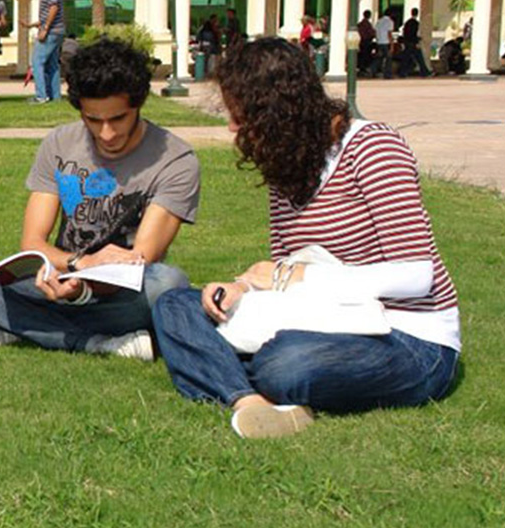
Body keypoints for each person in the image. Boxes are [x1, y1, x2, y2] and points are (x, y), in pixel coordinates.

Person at [150, 38, 460, 439]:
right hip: (322, 319)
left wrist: (296, 277)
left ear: (278, 111)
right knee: (176, 306)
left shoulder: (373, 147)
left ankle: (225, 372)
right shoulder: (288, 161)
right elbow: (288, 267)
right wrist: (241, 287)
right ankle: (250, 403)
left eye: (242, 116)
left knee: (285, 363)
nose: (232, 127)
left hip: (408, 338)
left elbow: (416, 276)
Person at [0, 38, 200, 361]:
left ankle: (22, 326)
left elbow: (142, 257)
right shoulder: (59, 142)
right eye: (93, 120)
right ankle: (93, 342)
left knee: (168, 283)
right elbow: (32, 243)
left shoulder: (175, 159)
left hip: (119, 292)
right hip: (54, 280)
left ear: (139, 105)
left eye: (118, 119)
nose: (107, 133)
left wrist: (84, 288)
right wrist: (77, 265)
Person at [22, 0, 65, 104]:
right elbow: (48, 14)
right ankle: (55, 96)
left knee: (37, 62)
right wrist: (31, 25)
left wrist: (45, 28)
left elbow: (54, 8)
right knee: (52, 64)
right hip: (56, 31)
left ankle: (41, 96)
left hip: (51, 31)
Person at [398, 7, 429, 77]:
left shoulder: (407, 22)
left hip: (407, 42)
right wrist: (417, 40)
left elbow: (405, 32)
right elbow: (413, 34)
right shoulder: (415, 23)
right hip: (412, 43)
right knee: (419, 58)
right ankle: (425, 72)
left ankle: (402, 72)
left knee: (406, 58)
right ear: (417, 14)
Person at [374, 8, 396, 78]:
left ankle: (372, 70)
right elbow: (389, 34)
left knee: (379, 58)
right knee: (388, 58)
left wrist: (377, 41)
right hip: (386, 42)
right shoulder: (390, 22)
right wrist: (392, 45)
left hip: (379, 42)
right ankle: (388, 74)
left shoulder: (379, 21)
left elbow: (376, 32)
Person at [356, 10, 376, 77]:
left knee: (362, 56)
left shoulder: (360, 24)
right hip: (366, 42)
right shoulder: (367, 24)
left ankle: (361, 68)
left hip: (361, 42)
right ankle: (364, 69)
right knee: (366, 56)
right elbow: (371, 33)